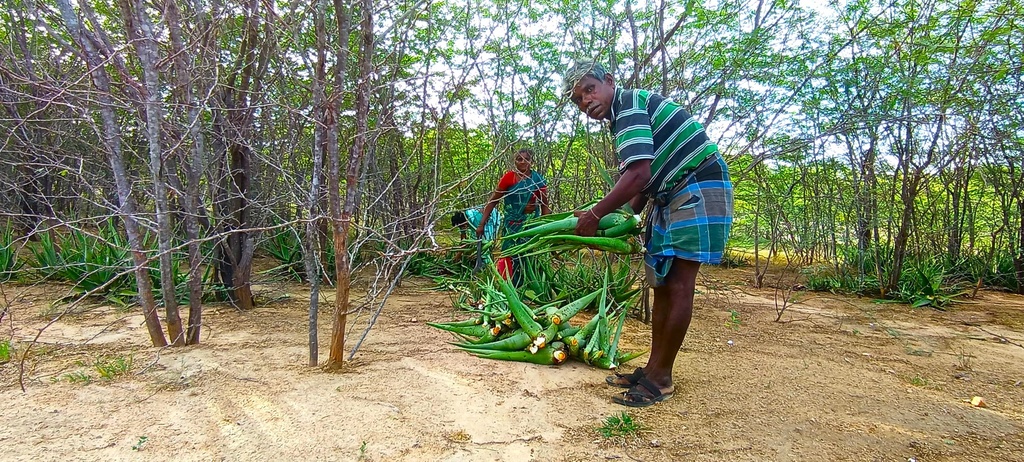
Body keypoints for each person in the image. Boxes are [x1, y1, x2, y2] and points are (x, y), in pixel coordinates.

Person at [563, 61, 734, 407]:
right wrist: (622, 217)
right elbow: (642, 180)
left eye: (590, 89)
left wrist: (597, 214)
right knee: (662, 284)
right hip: (670, 193)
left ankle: (662, 379)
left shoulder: (629, 106)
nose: (586, 101)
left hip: (696, 184)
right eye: (579, 99)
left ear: (609, 81)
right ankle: (654, 368)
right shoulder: (624, 114)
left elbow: (639, 175)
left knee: (679, 284)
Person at [477, 148, 551, 284]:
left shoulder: (537, 180)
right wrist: (482, 223)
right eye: (519, 159)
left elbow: (544, 205)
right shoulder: (508, 178)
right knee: (508, 253)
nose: (523, 162)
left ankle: (528, 283)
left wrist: (545, 225)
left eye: (526, 159)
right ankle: (509, 284)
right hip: (511, 224)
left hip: (530, 224)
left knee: (528, 253)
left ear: (531, 162)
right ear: (514, 162)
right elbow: (494, 200)